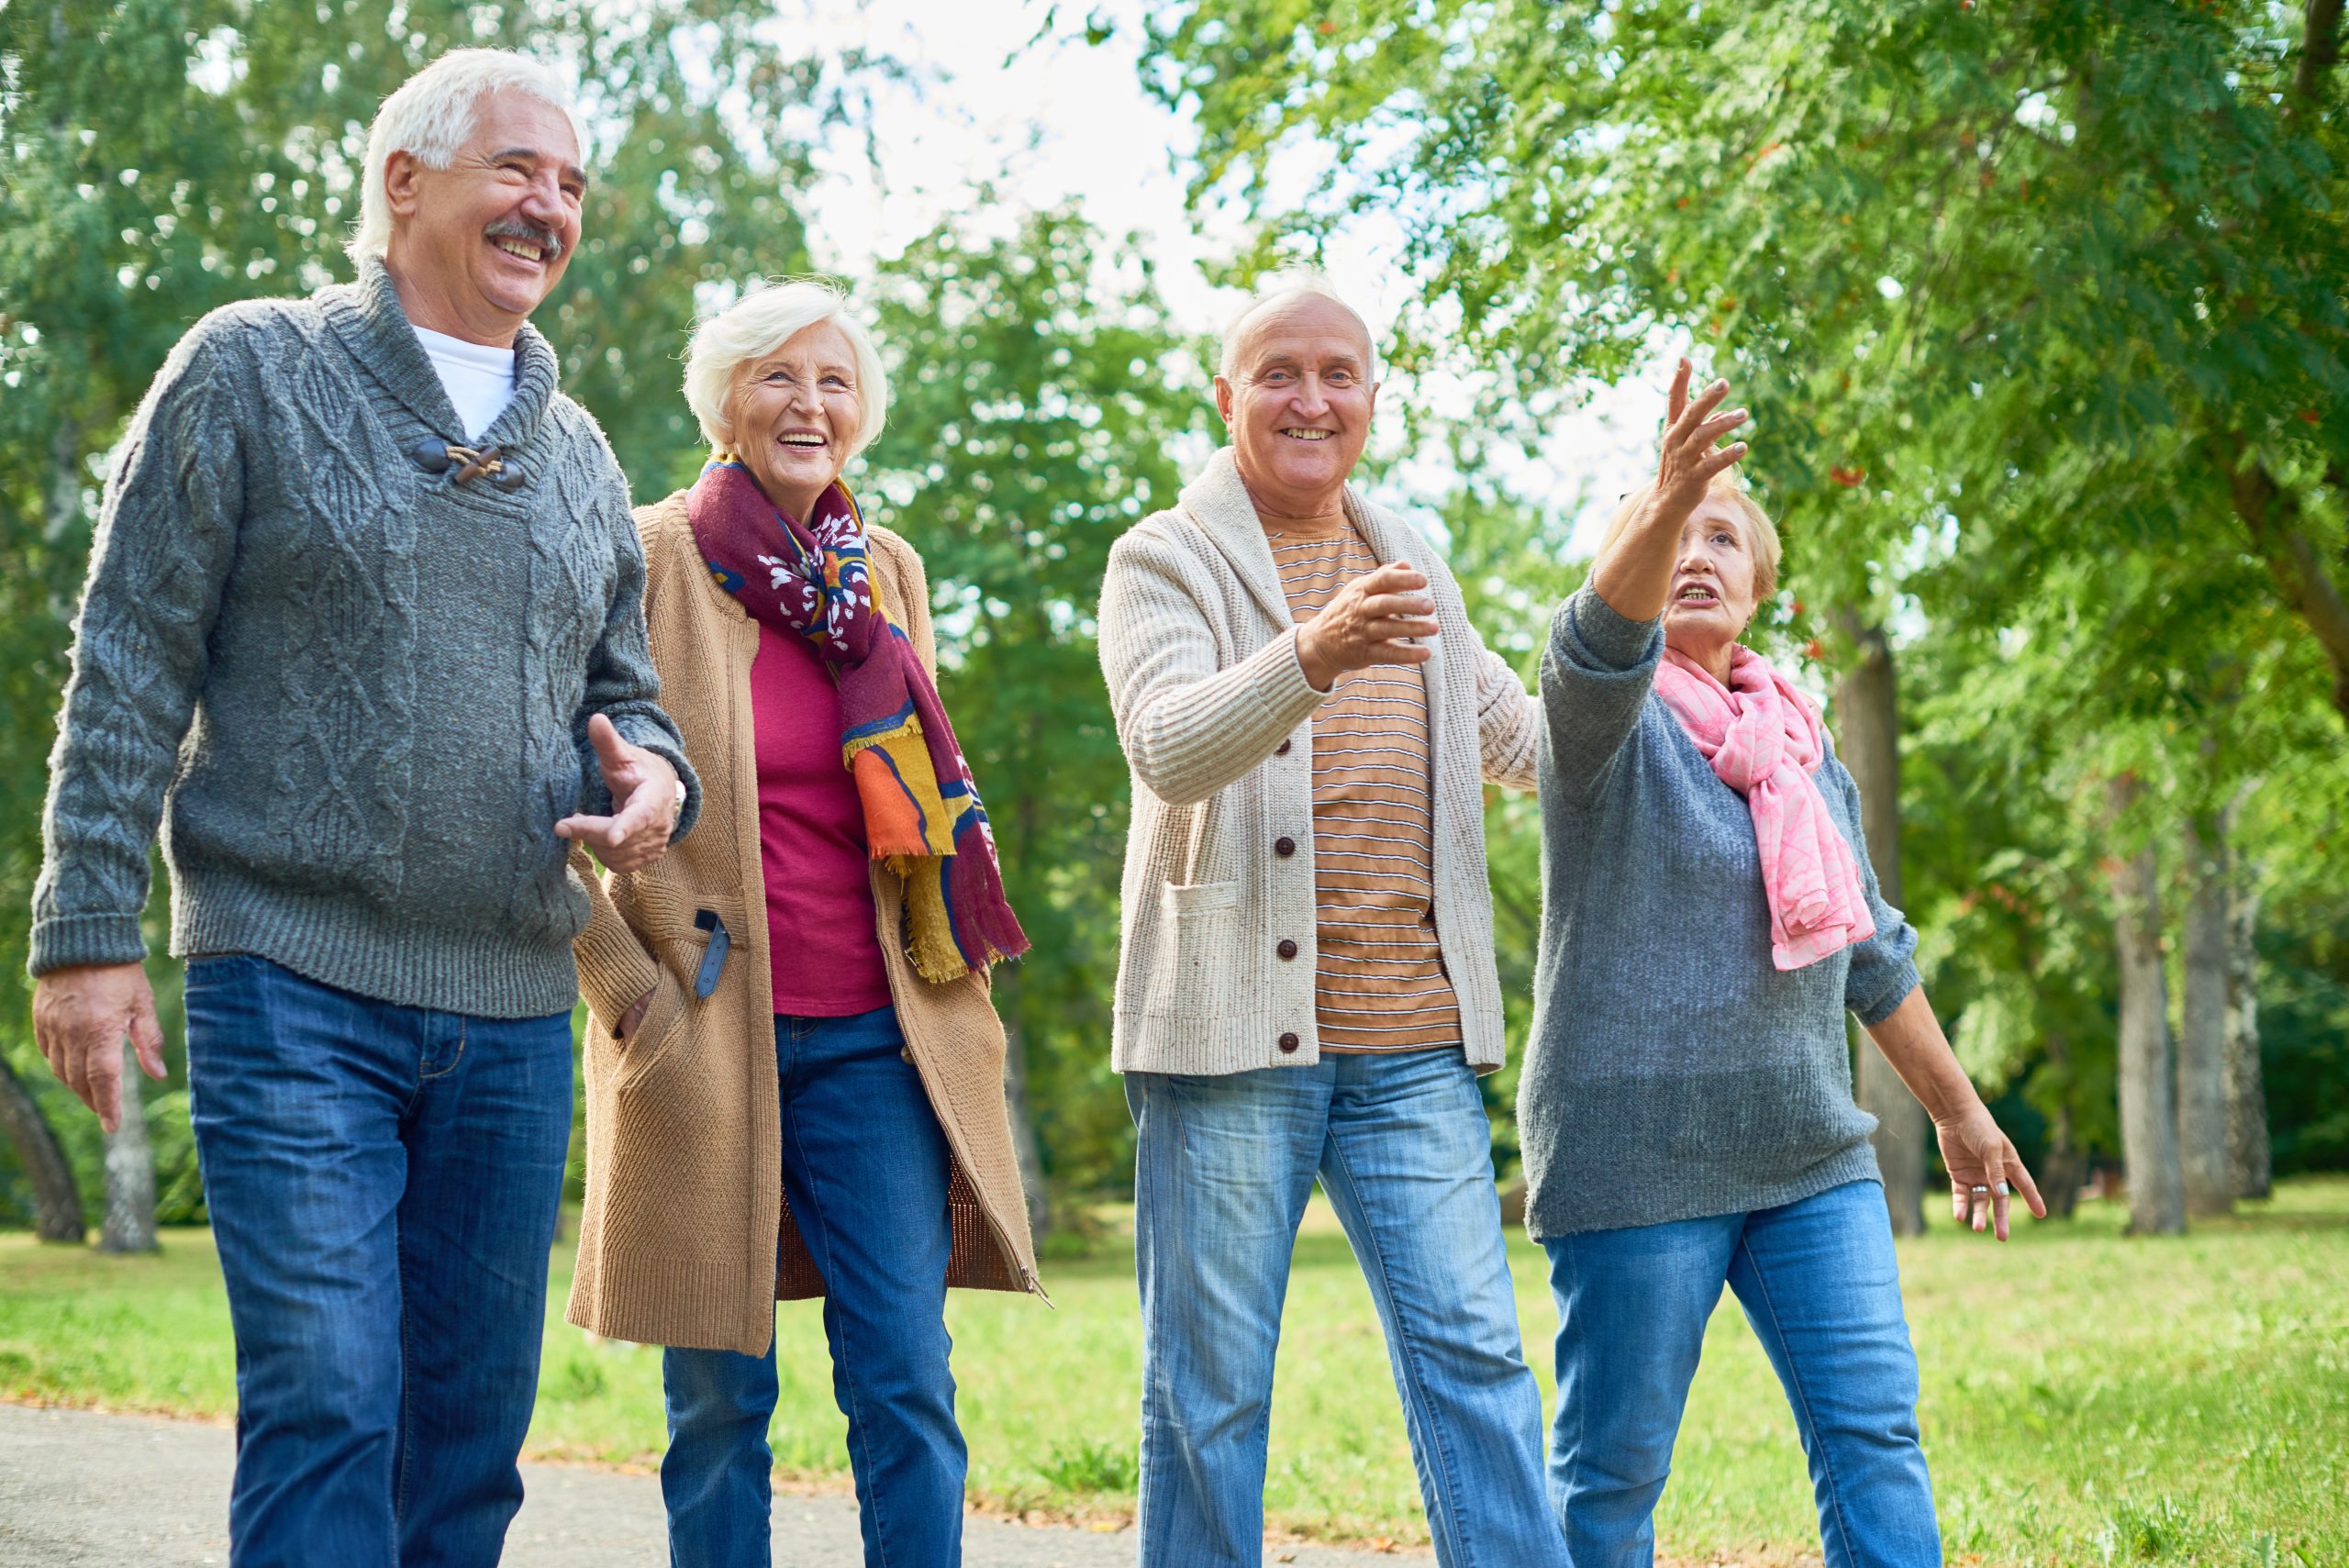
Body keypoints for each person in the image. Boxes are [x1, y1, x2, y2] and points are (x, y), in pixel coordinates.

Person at [26, 48, 697, 1568]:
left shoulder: (581, 452)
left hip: (516, 1002)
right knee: (329, 1394)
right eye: (518, 170)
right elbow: (130, 652)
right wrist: (84, 931)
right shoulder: (250, 366)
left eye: (573, 185)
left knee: (469, 1430)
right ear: (404, 181)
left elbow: (628, 694)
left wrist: (659, 776)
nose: (551, 208)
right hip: (292, 979)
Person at [1518, 360, 2047, 1568]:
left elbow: (1871, 956)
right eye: (1670, 530)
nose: (1696, 549)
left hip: (1812, 1157)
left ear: (1761, 588)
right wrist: (1670, 491)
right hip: (1636, 1158)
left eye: (1724, 536)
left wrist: (1961, 1114)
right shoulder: (1604, 722)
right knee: (1612, 1474)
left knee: (1873, 1426)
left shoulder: (1808, 757)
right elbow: (1598, 639)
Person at [1095, 274, 1570, 1568]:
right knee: (1211, 1390)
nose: (1312, 398)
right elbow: (1168, 745)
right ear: (1227, 394)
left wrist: (1656, 655)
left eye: (1339, 373)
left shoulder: (1409, 549)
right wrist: (1316, 649)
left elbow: (1521, 743)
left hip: (1412, 1037)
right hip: (1228, 1044)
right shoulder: (1162, 557)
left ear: (1372, 396)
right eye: (1279, 373)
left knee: (1476, 1356)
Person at [565, 278, 1041, 1568]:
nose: (808, 404)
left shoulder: (881, 573)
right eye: (777, 375)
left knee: (904, 1381)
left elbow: (924, 808)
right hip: (704, 1034)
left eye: (833, 381)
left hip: (877, 1041)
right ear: (723, 397)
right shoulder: (647, 551)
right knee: (719, 1400)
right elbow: (539, 793)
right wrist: (626, 988)